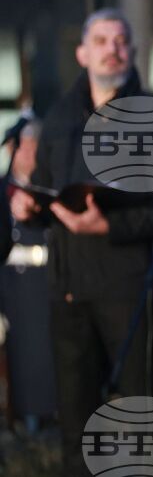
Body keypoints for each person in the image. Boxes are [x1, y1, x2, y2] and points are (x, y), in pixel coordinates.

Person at [9, 8, 153, 475]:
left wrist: (110, 227)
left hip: (133, 290)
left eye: (121, 39)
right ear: (83, 52)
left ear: (133, 50)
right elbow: (45, 188)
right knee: (77, 426)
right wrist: (30, 207)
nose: (112, 48)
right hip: (70, 290)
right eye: (101, 40)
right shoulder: (60, 117)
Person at [0, 119, 58, 432]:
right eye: (24, 146)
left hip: (46, 287)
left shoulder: (50, 189)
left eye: (36, 146)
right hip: (13, 290)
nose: (30, 154)